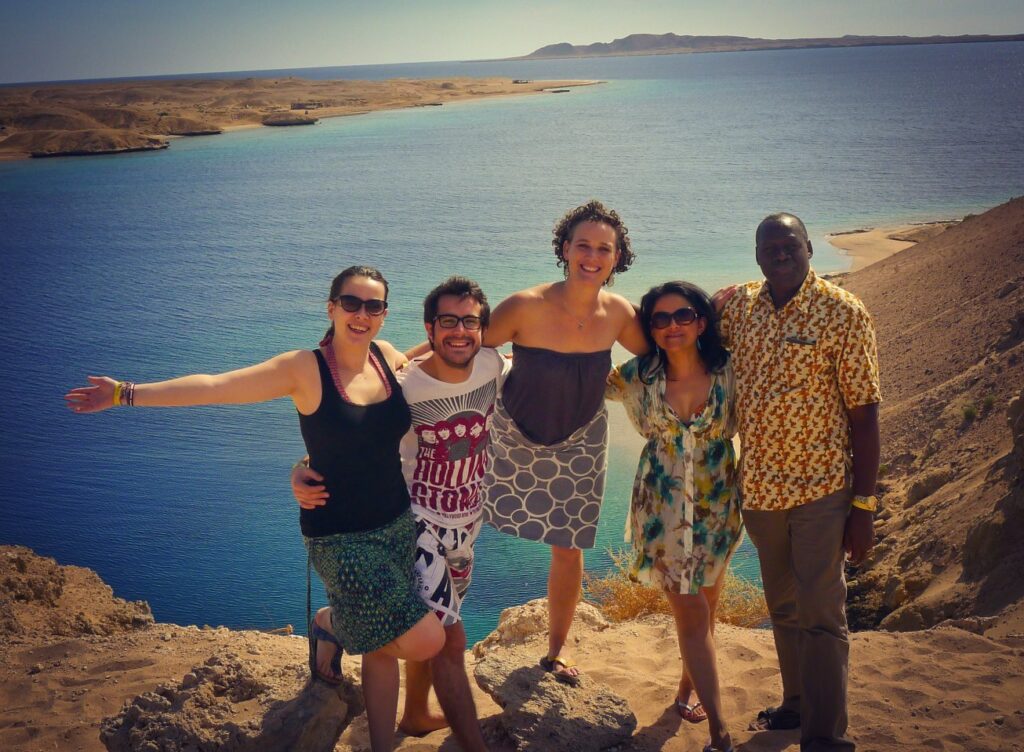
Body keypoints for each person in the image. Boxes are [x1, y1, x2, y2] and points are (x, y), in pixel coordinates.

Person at [64, 265, 446, 752]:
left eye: (374, 306)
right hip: (338, 533)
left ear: (384, 315)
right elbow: (215, 386)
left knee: (380, 644)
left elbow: (440, 356)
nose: (362, 314)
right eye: (351, 303)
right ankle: (330, 622)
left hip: (394, 522)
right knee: (422, 640)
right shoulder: (303, 369)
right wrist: (125, 393)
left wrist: (516, 347)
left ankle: (380, 744)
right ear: (331, 307)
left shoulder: (387, 358)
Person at [293, 276, 503, 752]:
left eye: (470, 321)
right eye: (446, 321)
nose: (459, 331)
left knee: (411, 626)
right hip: (412, 527)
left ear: (483, 328)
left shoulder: (494, 365)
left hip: (466, 527)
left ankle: (411, 713)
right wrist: (303, 467)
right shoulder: (404, 383)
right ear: (429, 328)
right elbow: (349, 431)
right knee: (447, 639)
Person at [717, 213, 881, 752]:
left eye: (790, 245)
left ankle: (826, 736)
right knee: (783, 609)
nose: (780, 254)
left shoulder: (843, 312)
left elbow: (865, 416)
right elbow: (682, 332)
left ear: (809, 247)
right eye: (769, 247)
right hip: (761, 490)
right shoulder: (740, 308)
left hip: (822, 492)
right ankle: (796, 707)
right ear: (757, 254)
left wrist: (864, 507)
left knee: (822, 615)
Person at [481, 200, 647, 682]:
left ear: (617, 258)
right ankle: (432, 641)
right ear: (564, 249)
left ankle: (556, 651)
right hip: (510, 435)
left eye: (604, 248)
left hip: (580, 441)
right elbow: (458, 348)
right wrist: (387, 371)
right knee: (461, 533)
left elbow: (671, 351)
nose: (592, 256)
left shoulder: (618, 313)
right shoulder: (524, 305)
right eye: (583, 245)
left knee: (569, 549)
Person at [606, 281, 741, 752]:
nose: (671, 326)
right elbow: (575, 374)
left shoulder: (730, 371)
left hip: (719, 506)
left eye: (683, 315)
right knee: (690, 611)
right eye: (659, 319)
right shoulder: (635, 376)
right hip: (661, 512)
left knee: (707, 607)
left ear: (701, 321)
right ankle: (720, 731)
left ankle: (686, 692)